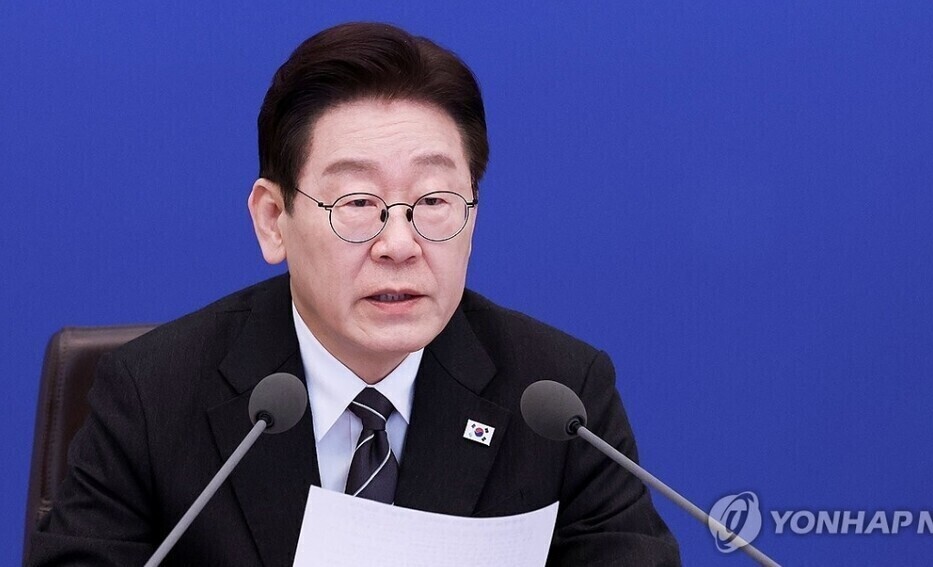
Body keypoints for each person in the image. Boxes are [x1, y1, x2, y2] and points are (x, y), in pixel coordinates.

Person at [29, 22, 681, 566]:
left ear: (472, 216)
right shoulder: (152, 394)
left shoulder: (560, 398)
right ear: (273, 219)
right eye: (358, 203)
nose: (399, 243)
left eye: (433, 201)